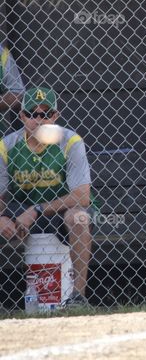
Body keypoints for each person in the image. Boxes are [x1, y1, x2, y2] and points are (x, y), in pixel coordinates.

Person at [0, 87, 93, 308]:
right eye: (33, 113)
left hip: (59, 210)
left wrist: (37, 210)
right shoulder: (7, 146)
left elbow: (83, 196)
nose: (39, 120)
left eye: (46, 114)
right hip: (21, 209)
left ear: (55, 116)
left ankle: (77, 298)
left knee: (79, 219)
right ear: (22, 116)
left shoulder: (70, 141)